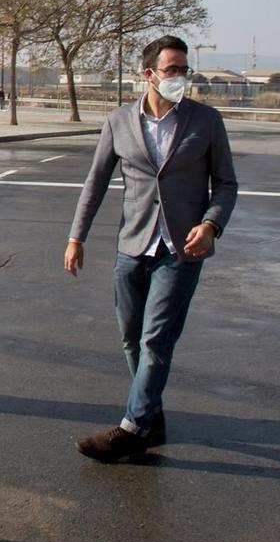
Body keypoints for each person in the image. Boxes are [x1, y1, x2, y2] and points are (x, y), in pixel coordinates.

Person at [64, 36, 238, 463]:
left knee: (156, 338)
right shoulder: (118, 121)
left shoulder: (206, 121)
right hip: (133, 243)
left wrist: (211, 224)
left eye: (184, 70)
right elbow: (96, 182)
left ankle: (132, 427)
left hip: (182, 249)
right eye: (172, 69)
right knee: (130, 338)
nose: (180, 77)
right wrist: (76, 237)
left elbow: (227, 184)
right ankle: (151, 413)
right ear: (148, 74)